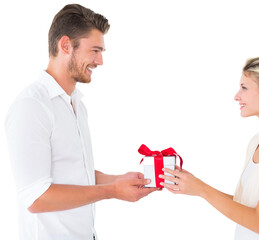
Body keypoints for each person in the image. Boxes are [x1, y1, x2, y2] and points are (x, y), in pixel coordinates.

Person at [5, 4, 156, 240]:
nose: (100, 61)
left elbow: (74, 172)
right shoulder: (32, 106)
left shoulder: (76, 104)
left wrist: (117, 180)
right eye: (94, 51)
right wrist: (111, 191)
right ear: (65, 45)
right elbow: (35, 198)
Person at [160, 56, 259, 240]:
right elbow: (243, 206)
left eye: (244, 88)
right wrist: (193, 184)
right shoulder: (257, 141)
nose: (236, 96)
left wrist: (201, 189)